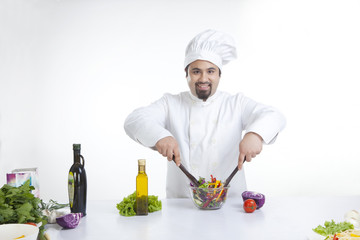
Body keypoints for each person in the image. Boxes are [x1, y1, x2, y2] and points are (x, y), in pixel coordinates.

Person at [124, 29, 286, 198]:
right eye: (196, 71)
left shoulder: (236, 103)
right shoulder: (170, 103)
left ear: (219, 75)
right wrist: (160, 136)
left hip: (231, 206)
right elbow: (134, 120)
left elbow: (274, 115)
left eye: (210, 71)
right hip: (183, 206)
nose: (203, 78)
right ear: (186, 74)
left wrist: (255, 134)